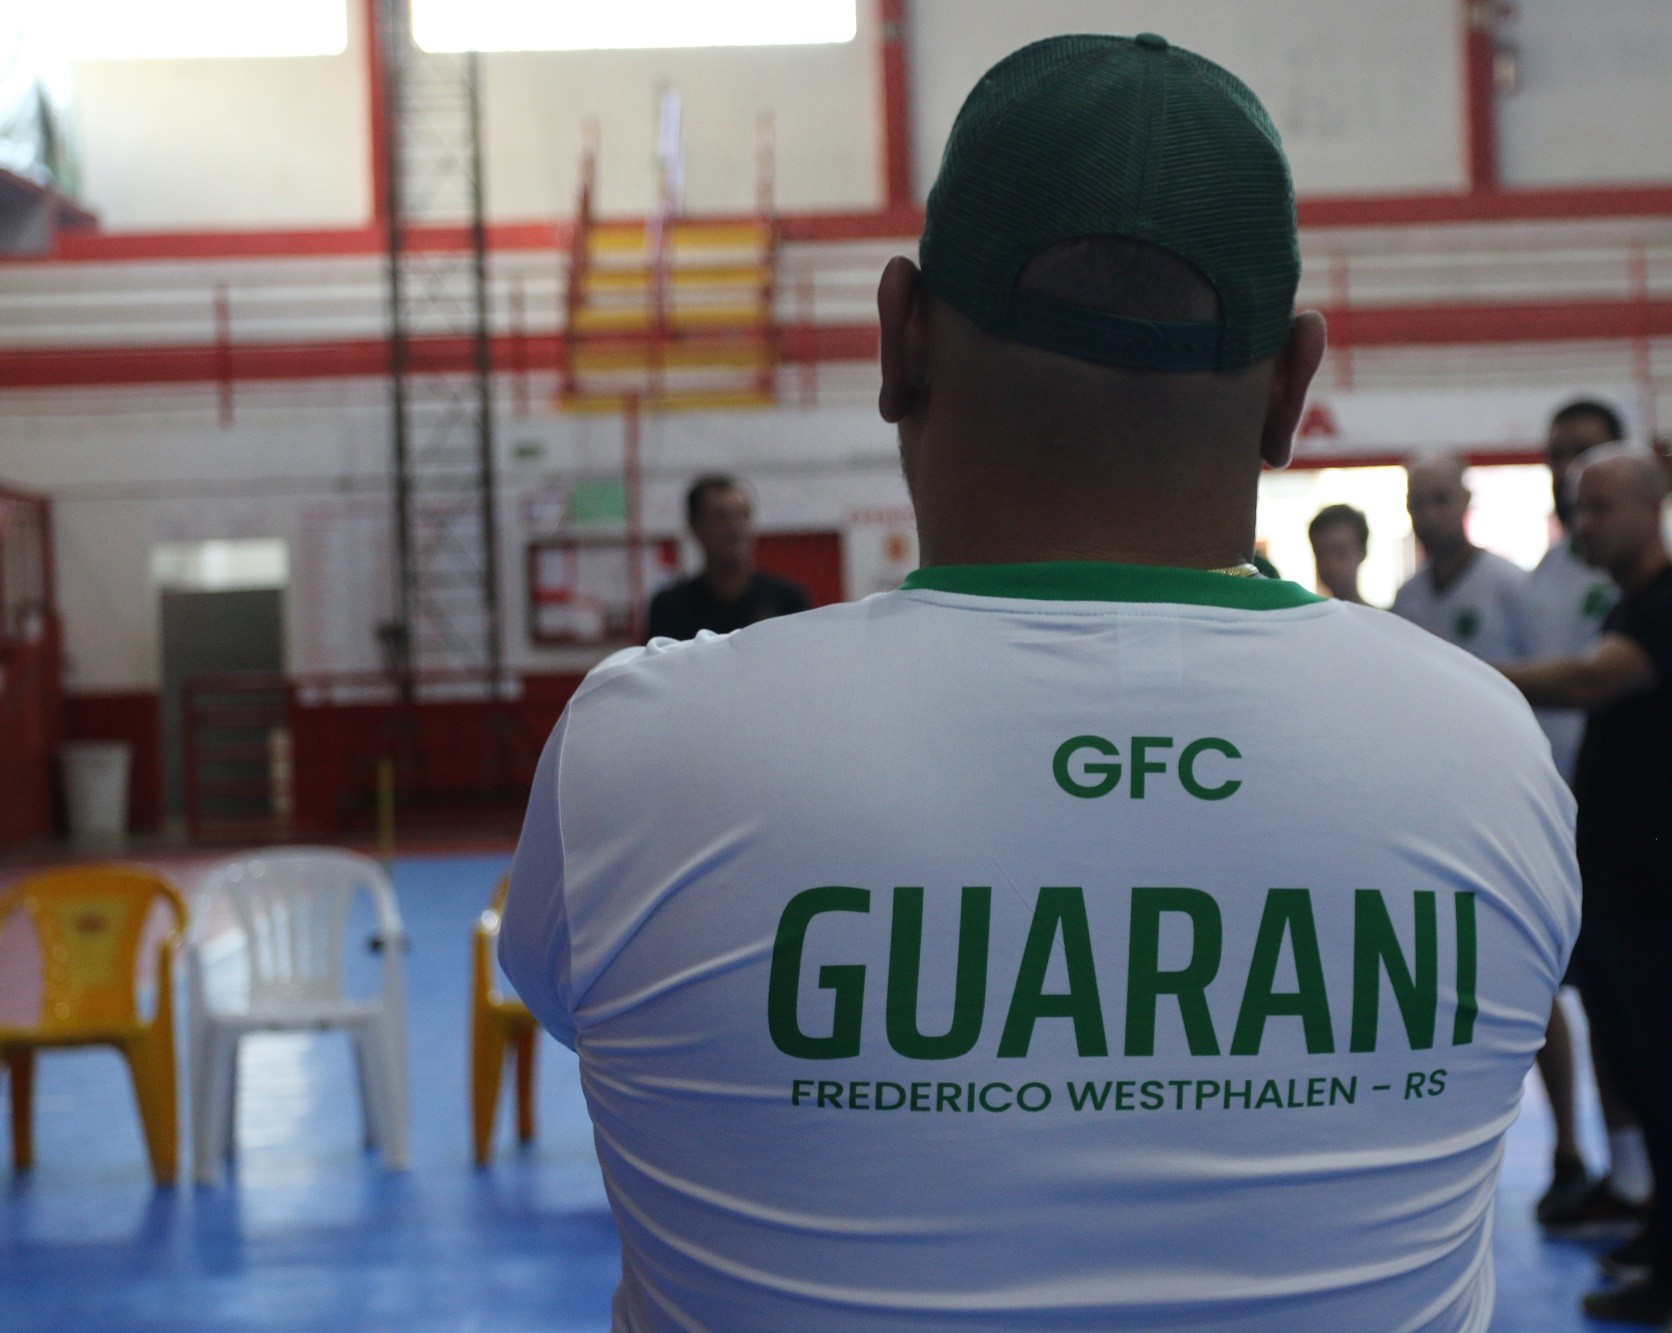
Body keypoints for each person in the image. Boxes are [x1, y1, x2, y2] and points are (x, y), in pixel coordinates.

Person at [501, 32, 1580, 1329]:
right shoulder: (1485, 751)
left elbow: (583, 1012)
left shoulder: (644, 754)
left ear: (898, 338)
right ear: (1292, 390)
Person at [1500, 445, 1672, 1330]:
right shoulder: (1637, 603)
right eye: (1575, 509)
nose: (1582, 525)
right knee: (1643, 1081)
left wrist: (1465, 678)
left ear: (1650, 507)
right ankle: (1669, 1259)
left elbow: (1595, 680)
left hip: (1663, 897)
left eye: (1598, 508)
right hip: (1622, 895)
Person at [1517, 397, 1651, 1245]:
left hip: (1637, 828)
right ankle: (1616, 1168)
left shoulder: (1654, 586)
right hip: (1552, 821)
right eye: (1557, 454)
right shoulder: (1540, 581)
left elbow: (1584, 683)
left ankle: (1649, 1181)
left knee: (1638, 1012)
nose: (1569, 472)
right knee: (1581, 996)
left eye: (1587, 454)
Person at [1391, 453, 1530, 662]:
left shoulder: (1511, 585)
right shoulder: (1407, 599)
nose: (1430, 515)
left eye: (1442, 500)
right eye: (1418, 503)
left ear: (1466, 499)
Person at [643, 474, 810, 640]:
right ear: (695, 526)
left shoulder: (787, 602)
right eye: (721, 518)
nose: (735, 528)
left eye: (742, 515)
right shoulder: (670, 608)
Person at [1307, 503, 1369, 604]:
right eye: (1321, 553)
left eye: (1341, 552)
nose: (1331, 564)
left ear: (1363, 551)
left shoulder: (1385, 619)